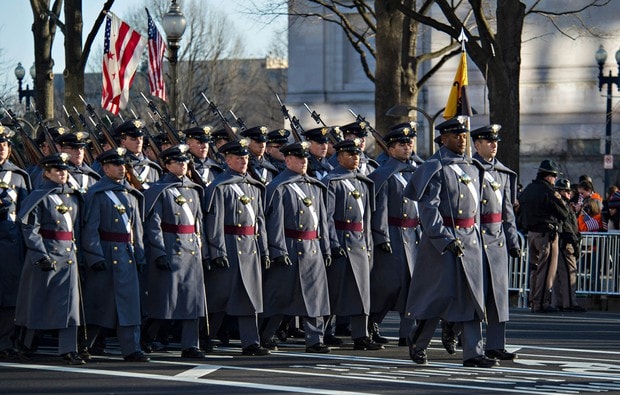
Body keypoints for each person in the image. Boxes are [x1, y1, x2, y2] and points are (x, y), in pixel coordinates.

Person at [403, 116, 495, 368]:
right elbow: (428, 210)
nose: (462, 139)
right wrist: (444, 239)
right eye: (456, 136)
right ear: (443, 139)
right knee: (436, 297)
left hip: (470, 240)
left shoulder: (472, 167)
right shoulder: (435, 167)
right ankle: (418, 342)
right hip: (442, 244)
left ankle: (473, 353)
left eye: (464, 135)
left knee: (472, 297)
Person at [260, 141, 332, 353]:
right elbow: (274, 223)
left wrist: (325, 248)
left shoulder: (315, 186)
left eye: (305, 158)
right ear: (288, 159)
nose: (303, 162)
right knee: (280, 296)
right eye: (299, 158)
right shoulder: (278, 187)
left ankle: (315, 340)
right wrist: (278, 250)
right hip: (290, 247)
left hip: (313, 246)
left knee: (315, 296)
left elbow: (323, 222)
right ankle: (266, 334)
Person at [80, 148, 149, 362]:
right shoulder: (97, 193)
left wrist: (140, 254)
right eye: (116, 165)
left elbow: (137, 229)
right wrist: (95, 256)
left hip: (126, 254)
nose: (121, 169)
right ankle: (83, 345)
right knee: (99, 303)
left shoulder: (131, 192)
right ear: (105, 168)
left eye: (123, 165)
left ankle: (132, 348)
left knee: (129, 304)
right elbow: (90, 228)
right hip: (106, 252)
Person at [15, 153, 84, 364]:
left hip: (69, 255)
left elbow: (78, 228)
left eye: (64, 170)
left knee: (70, 306)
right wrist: (40, 255)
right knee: (38, 302)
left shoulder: (73, 196)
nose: (62, 173)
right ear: (47, 173)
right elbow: (30, 228)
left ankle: (68, 349)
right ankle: (26, 345)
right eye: (57, 170)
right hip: (46, 255)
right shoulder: (39, 196)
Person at [203, 139, 271, 356]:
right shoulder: (219, 186)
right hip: (229, 246)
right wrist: (218, 251)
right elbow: (215, 224)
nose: (243, 161)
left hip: (250, 246)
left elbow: (259, 221)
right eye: (238, 158)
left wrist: (265, 249)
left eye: (245, 157)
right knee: (220, 297)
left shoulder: (253, 185)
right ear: (228, 160)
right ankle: (205, 336)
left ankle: (250, 342)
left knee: (250, 296)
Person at [143, 145, 208, 358]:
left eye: (184, 161)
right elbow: (154, 225)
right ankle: (148, 335)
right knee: (165, 300)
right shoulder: (160, 189)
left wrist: (204, 252)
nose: (182, 165)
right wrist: (160, 252)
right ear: (167, 165)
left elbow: (199, 223)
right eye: (177, 162)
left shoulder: (194, 189)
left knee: (192, 300)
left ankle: (190, 345)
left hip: (191, 249)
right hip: (171, 247)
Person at [323, 138, 382, 351]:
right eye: (350, 154)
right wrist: (332, 242)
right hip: (340, 239)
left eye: (357, 154)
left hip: (359, 242)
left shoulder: (364, 182)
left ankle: (361, 335)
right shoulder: (332, 181)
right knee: (334, 290)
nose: (355, 157)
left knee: (361, 292)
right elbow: (327, 217)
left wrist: (368, 244)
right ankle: (323, 332)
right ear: (339, 157)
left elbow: (366, 219)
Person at [469, 124, 520, 361]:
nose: (493, 145)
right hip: (477, 239)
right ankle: (474, 346)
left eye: (495, 141)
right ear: (477, 144)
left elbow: (507, 211)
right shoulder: (471, 170)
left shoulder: (502, 172)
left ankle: (496, 344)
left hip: (497, 239)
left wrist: (513, 241)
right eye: (488, 141)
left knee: (498, 297)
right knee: (478, 297)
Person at [368, 123, 420, 347]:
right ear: (390, 149)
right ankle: (371, 322)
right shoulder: (383, 174)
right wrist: (381, 236)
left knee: (413, 285)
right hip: (392, 233)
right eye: (402, 144)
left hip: (413, 234)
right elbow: (380, 208)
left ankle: (407, 332)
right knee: (388, 286)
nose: (407, 147)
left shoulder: (415, 172)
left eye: (409, 143)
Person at [518, 159, 569, 313]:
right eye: (553, 176)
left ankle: (534, 302)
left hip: (531, 234)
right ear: (548, 176)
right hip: (546, 235)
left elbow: (521, 210)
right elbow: (564, 213)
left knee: (535, 270)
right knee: (547, 271)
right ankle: (542, 303)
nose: (554, 179)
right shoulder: (549, 191)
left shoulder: (528, 189)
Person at [0, 126, 31, 360]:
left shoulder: (19, 176)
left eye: (4, 145)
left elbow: (26, 213)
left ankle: (5, 340)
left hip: (10, 243)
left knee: (10, 295)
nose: (1, 149)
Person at [553, 178, 586, 312]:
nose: (569, 194)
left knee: (559, 275)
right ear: (560, 192)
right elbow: (568, 227)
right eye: (566, 191)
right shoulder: (562, 206)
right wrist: (575, 243)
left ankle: (559, 302)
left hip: (561, 242)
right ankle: (569, 303)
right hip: (565, 242)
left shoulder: (562, 205)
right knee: (568, 274)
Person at [115, 119, 162, 191]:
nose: (139, 142)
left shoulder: (153, 167)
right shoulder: (118, 166)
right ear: (123, 142)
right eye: (133, 139)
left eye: (141, 138)